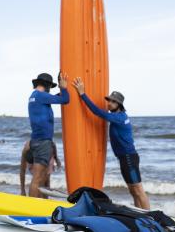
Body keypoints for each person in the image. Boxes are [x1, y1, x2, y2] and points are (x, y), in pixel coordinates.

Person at [72, 78, 150, 209]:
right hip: (124, 158)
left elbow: (97, 112)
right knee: (133, 191)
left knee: (138, 189)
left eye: (113, 102)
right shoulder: (117, 117)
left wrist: (82, 94)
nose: (109, 103)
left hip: (129, 158)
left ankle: (150, 217)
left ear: (119, 104)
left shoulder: (119, 117)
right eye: (109, 100)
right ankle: (140, 214)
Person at [27, 72, 70, 198]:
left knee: (42, 178)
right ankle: (31, 208)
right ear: (46, 85)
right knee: (38, 178)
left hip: (36, 141)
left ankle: (40, 204)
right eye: (50, 87)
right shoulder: (41, 96)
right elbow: (65, 100)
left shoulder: (34, 96)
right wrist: (63, 88)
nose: (50, 90)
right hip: (42, 142)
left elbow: (54, 98)